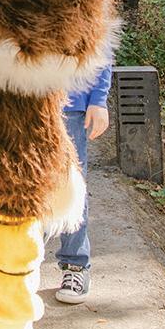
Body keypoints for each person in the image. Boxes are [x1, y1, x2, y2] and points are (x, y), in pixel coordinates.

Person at [55, 63, 111, 305]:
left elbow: (102, 50)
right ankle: (19, 270)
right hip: (22, 100)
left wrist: (98, 100)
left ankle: (75, 265)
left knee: (70, 185)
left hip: (71, 103)